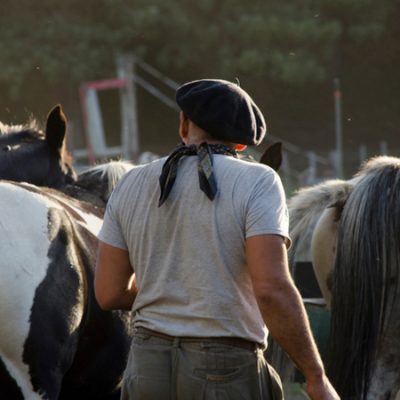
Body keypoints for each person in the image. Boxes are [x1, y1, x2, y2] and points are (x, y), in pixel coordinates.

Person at [94, 79, 339, 400]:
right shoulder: (259, 181)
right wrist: (315, 376)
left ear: (184, 123)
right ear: (241, 143)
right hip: (224, 371)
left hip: (146, 366)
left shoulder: (131, 182)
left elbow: (109, 294)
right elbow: (271, 289)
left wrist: (170, 288)